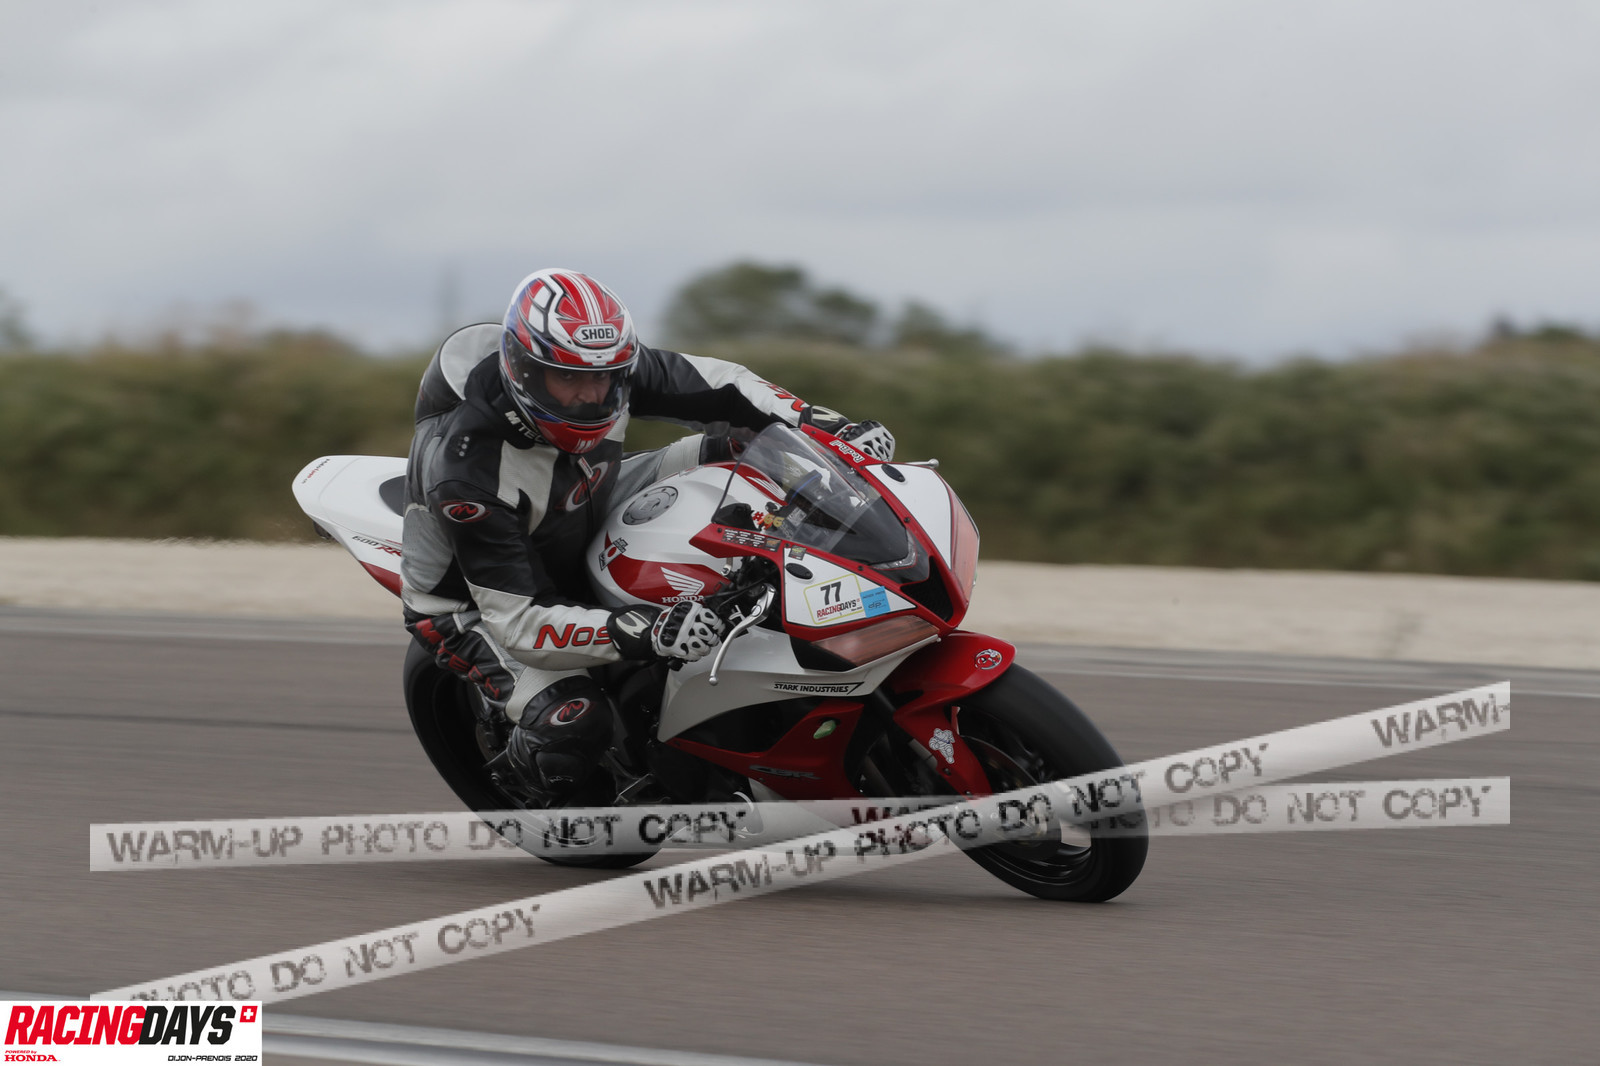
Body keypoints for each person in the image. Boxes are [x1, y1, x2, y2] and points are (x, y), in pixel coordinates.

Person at [400, 268, 895, 804]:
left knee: (744, 446)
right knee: (573, 724)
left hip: (583, 496)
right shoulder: (468, 473)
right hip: (474, 604)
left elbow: (726, 386)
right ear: (523, 370)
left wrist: (826, 428)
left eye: (606, 378)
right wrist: (649, 630)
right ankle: (535, 771)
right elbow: (518, 622)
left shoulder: (606, 368)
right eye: (568, 380)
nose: (591, 395)